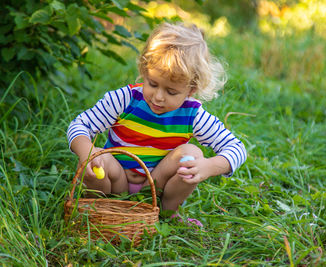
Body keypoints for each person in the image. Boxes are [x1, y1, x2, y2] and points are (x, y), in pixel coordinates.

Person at [67, 22, 247, 223]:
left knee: (192, 155)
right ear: (145, 71)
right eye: (152, 84)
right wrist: (87, 153)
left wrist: (209, 166)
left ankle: (168, 213)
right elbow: (80, 125)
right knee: (98, 160)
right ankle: (98, 210)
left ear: (191, 89)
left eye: (171, 92)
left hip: (156, 185)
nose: (158, 97)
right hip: (117, 180)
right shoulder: (126, 99)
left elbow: (236, 148)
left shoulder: (192, 115)